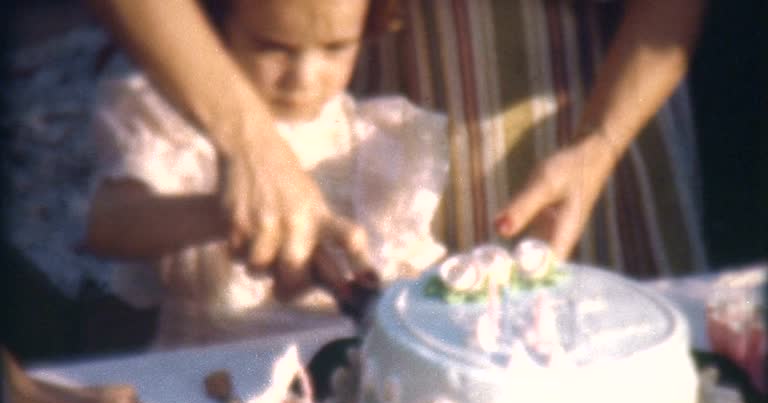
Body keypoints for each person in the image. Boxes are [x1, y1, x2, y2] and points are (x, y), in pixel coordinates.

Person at [87, 0, 708, 282]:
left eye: (325, 54)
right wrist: (253, 144)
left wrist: (599, 143)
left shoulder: (395, 143)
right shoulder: (355, 117)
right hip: (375, 62)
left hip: (589, 113)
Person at [82, 0, 449, 346]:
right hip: (211, 378)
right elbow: (107, 226)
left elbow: (411, 267)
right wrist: (224, 214)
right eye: (273, 47)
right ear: (216, 25)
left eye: (336, 47)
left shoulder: (374, 141)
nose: (303, 77)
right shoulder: (171, 124)